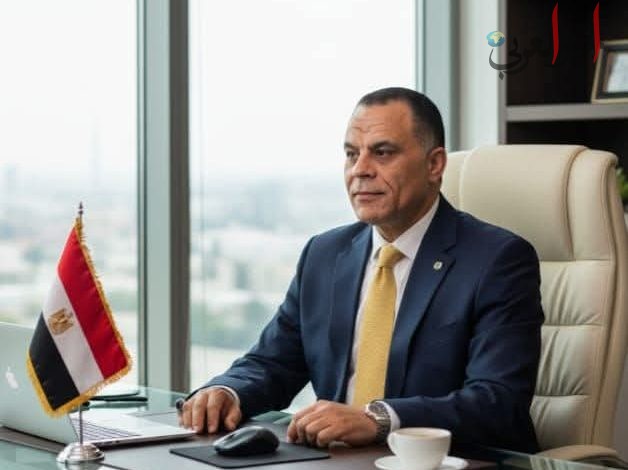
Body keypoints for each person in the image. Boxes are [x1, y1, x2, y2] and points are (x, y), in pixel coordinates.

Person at [179, 87, 544, 453]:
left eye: (382, 152)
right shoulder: (325, 254)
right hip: (338, 460)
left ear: (434, 165)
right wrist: (227, 391)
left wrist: (379, 419)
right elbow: (272, 362)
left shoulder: (497, 260)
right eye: (352, 154)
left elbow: (498, 401)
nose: (360, 170)